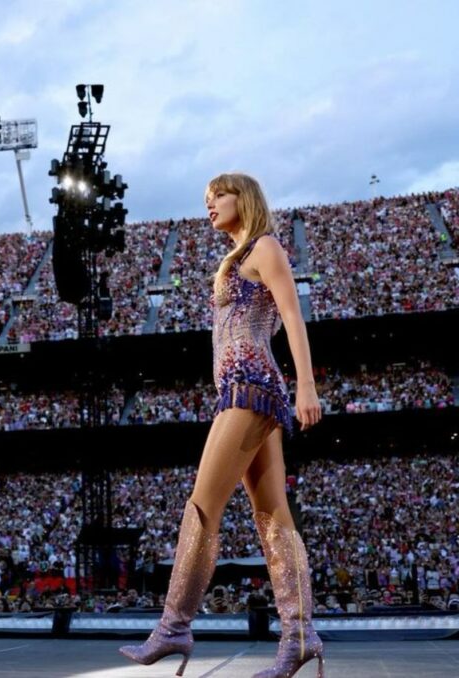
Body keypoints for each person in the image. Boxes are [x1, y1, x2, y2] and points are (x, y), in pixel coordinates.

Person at [119, 173, 324, 678]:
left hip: (252, 385)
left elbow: (293, 319)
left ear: (244, 198)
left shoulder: (266, 247)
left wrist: (306, 385)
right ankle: (298, 635)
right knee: (273, 516)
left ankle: (173, 626)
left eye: (218, 197)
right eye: (207, 200)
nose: (209, 206)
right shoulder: (235, 258)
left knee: (203, 505)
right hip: (246, 389)